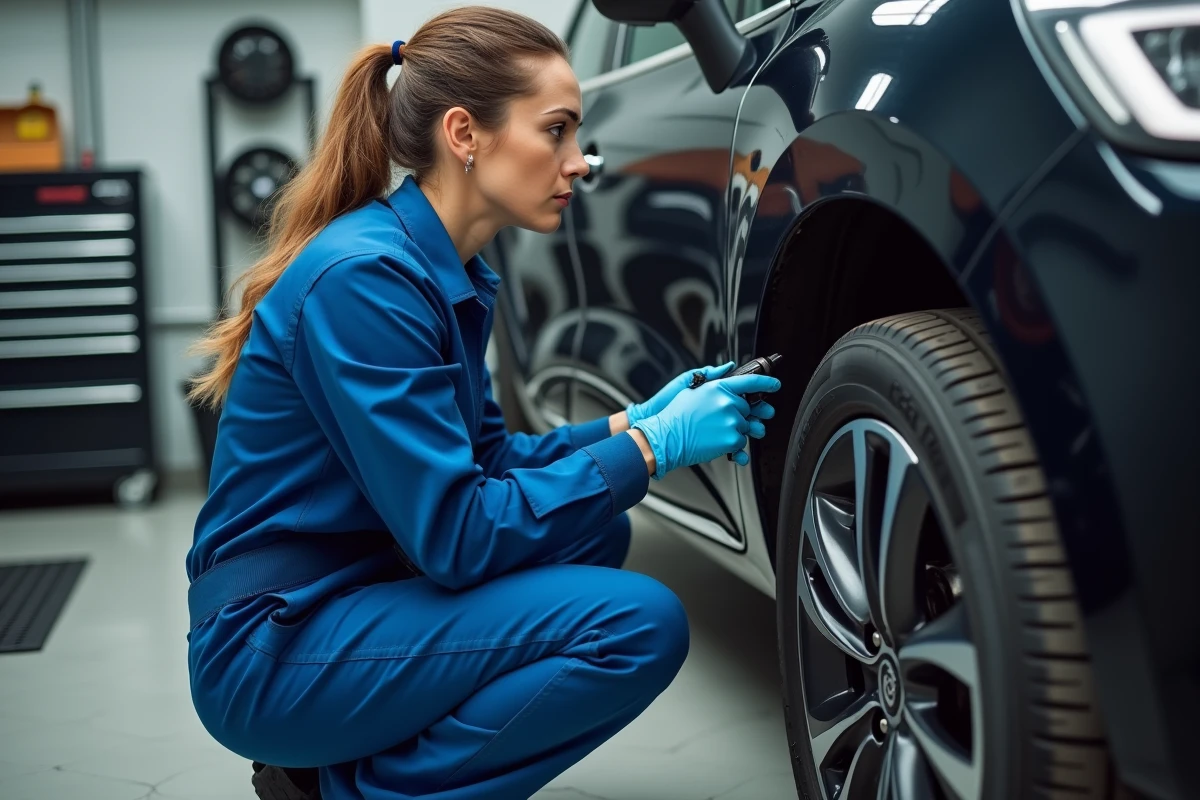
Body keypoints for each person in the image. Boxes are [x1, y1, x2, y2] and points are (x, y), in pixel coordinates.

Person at [183, 7, 781, 800]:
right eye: (557, 130)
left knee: (593, 529)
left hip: (357, 593)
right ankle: (348, 793)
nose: (580, 162)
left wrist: (630, 422)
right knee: (637, 626)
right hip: (275, 645)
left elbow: (487, 463)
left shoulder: (443, 271)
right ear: (465, 135)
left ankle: (335, 769)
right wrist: (651, 451)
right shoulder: (365, 280)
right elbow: (458, 537)